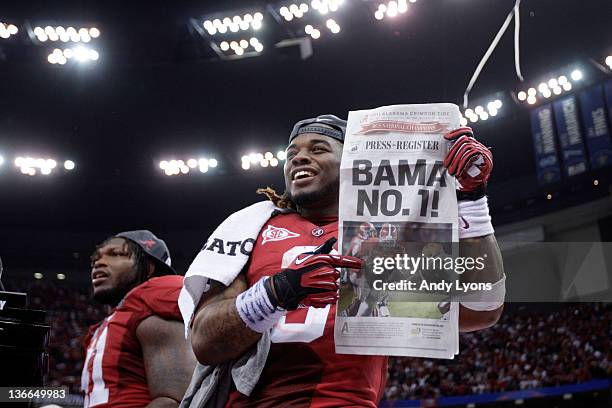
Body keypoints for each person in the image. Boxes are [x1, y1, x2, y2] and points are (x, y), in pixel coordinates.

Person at [187, 115, 505, 406]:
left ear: (353, 163)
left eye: (318, 148)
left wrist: (472, 201)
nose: (298, 157)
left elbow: (481, 309)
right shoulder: (253, 226)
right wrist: (276, 292)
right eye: (291, 153)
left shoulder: (386, 235)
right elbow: (205, 342)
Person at [81, 230, 196, 408]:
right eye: (95, 258)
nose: (98, 262)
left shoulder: (153, 302)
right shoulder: (121, 317)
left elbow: (175, 401)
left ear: (149, 267)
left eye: (116, 254)